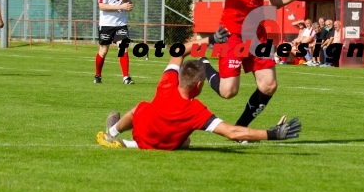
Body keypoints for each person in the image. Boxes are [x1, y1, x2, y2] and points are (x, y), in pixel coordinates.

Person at [197, 0, 319, 134]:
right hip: (231, 32)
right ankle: (204, 63)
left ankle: (240, 129)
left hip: (256, 33)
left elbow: (276, 1)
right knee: (228, 92)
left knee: (269, 85)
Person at [96, 25, 302, 150]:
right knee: (185, 141)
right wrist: (272, 134)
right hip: (167, 144)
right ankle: (123, 140)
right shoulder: (195, 111)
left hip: (142, 133)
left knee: (139, 108)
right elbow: (232, 132)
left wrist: (210, 39)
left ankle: (113, 132)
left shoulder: (167, 82)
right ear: (198, 84)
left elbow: (178, 52)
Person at [94, 0, 134, 84]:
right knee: (104, 50)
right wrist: (121, 5)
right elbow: (101, 6)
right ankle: (98, 75)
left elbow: (129, 5)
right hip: (106, 24)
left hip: (121, 23)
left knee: (123, 48)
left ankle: (126, 77)